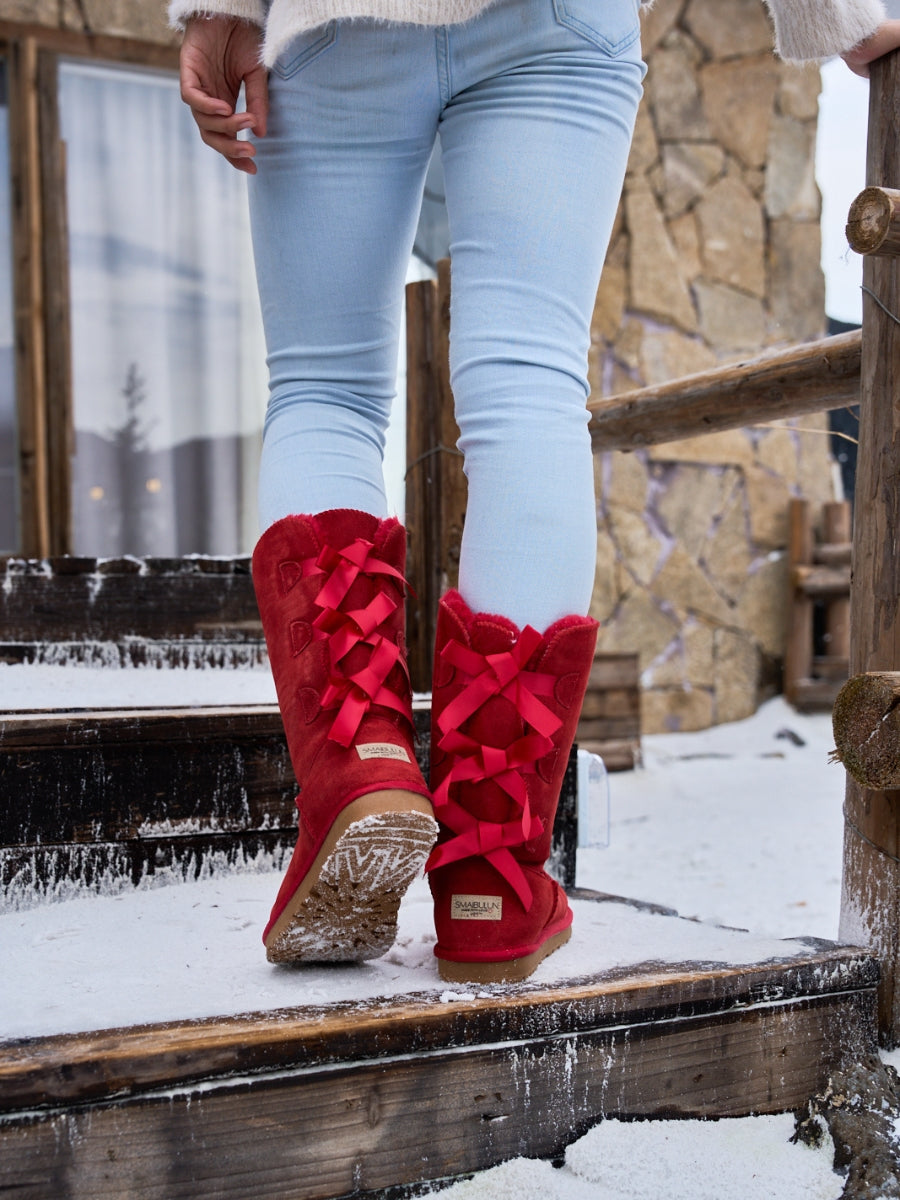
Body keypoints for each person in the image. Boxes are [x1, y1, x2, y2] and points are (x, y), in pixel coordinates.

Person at [171, 0, 898, 984]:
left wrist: (214, 9)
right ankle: (494, 877)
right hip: (560, 21)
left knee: (324, 388)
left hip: (341, 20)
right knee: (527, 389)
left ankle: (359, 759)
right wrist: (839, 15)